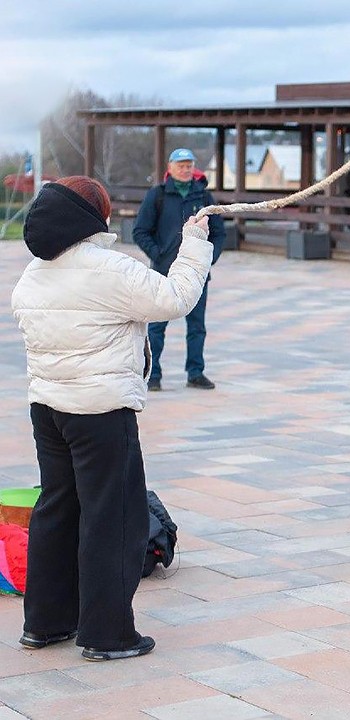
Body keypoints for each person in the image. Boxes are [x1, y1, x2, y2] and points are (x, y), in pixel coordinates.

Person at [11, 176, 213, 661]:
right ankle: (107, 634)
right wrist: (195, 245)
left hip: (49, 409)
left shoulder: (35, 271)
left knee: (56, 509)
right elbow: (175, 300)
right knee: (112, 519)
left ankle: (45, 623)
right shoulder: (109, 268)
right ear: (93, 217)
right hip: (101, 412)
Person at [133, 148, 225, 391]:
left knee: (197, 327)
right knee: (156, 326)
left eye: (189, 165)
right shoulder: (158, 195)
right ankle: (153, 375)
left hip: (197, 274)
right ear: (170, 167)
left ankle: (196, 372)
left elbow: (219, 233)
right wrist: (158, 254)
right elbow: (140, 231)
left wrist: (207, 259)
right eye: (180, 165)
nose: (185, 169)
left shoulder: (203, 197)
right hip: (163, 273)